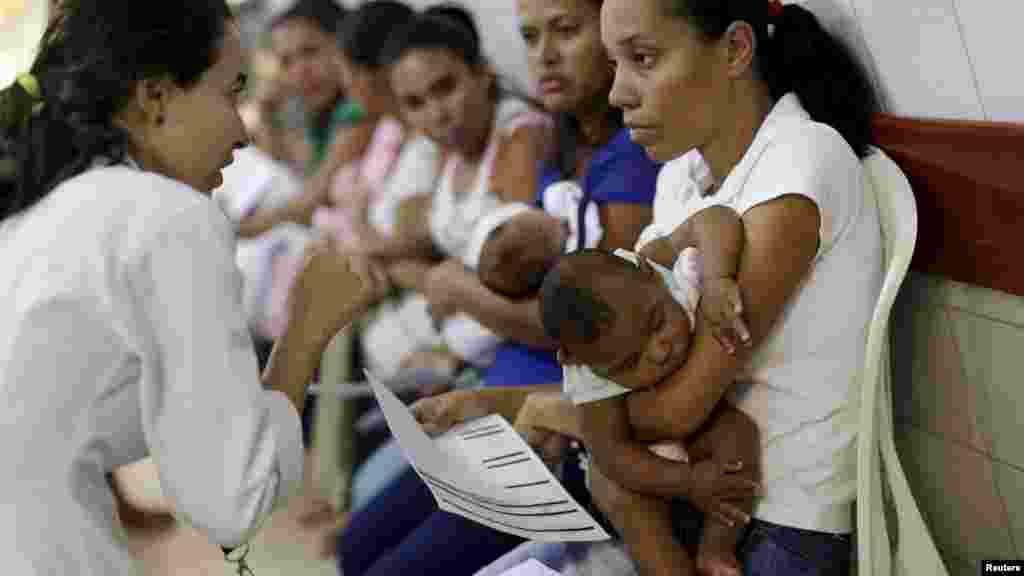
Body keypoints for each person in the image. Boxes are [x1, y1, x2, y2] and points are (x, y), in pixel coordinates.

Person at [0, 2, 386, 574]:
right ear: (154, 98)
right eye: (229, 93)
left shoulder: (45, 208)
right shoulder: (165, 216)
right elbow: (234, 502)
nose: (239, 130)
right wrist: (306, 328)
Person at [336, 1, 660, 574]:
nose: (544, 55)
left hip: (555, 439)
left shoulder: (627, 156)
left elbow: (587, 334)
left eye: (566, 31)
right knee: (355, 545)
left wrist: (454, 284)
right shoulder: (558, 144)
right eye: (531, 37)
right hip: (496, 405)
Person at [574, 0, 881, 573]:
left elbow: (677, 409)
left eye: (643, 58)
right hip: (690, 490)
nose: (618, 93)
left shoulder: (799, 160)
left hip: (779, 523)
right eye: (615, 63)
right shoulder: (679, 180)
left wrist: (577, 419)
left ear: (737, 49)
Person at [538, 208, 762, 576]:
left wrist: (718, 276)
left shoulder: (649, 262)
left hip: (695, 421)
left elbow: (715, 219)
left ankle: (716, 550)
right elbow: (612, 453)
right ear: (578, 361)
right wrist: (686, 482)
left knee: (738, 437)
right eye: (629, 363)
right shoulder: (588, 372)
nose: (658, 351)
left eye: (657, 322)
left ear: (645, 271)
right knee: (629, 499)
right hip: (647, 455)